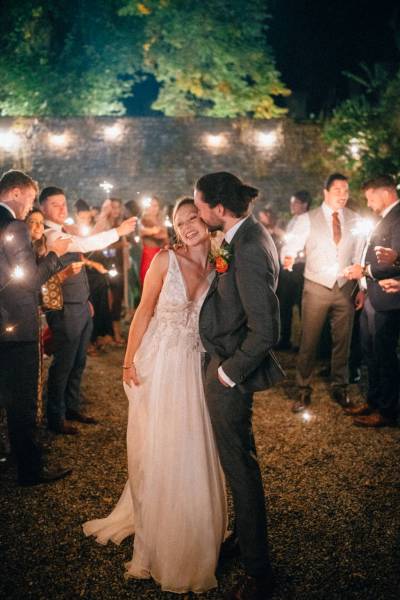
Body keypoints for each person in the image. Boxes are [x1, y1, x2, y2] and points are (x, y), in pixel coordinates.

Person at [83, 198, 227, 594]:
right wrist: (128, 363)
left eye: (192, 219)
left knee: (194, 446)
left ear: (206, 218)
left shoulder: (220, 265)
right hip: (161, 362)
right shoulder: (165, 260)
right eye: (179, 223)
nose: (186, 228)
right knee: (160, 445)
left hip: (197, 365)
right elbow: (144, 311)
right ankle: (159, 536)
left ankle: (195, 531)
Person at [194, 172, 284, 600]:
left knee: (241, 469)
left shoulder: (247, 246)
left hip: (230, 374)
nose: (195, 212)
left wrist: (228, 373)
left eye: (199, 205)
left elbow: (267, 329)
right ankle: (245, 541)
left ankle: (259, 571)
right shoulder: (240, 234)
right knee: (236, 462)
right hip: (223, 363)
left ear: (218, 207)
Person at [39, 187, 137, 435]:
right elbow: (85, 243)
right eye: (55, 204)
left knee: (79, 361)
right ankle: (56, 416)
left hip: (80, 304)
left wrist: (85, 299)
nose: (62, 208)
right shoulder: (50, 234)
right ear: (43, 208)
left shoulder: (63, 231)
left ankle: (72, 407)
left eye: (63, 203)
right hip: (65, 308)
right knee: (64, 363)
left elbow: (83, 254)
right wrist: (118, 231)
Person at [0, 170, 71, 486]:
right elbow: (28, 280)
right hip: (17, 326)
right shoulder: (13, 226)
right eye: (29, 198)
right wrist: (56, 256)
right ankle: (29, 469)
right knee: (22, 402)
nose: (30, 207)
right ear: (15, 192)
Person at [281, 173, 364, 413]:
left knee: (343, 341)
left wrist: (362, 288)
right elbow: (291, 244)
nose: (343, 195)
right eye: (338, 190)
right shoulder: (308, 219)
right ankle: (303, 389)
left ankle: (341, 386)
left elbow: (359, 254)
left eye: (346, 190)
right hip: (316, 285)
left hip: (346, 287)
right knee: (309, 339)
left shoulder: (355, 219)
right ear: (326, 192)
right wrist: (287, 255)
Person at [343, 175, 400, 427]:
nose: (368, 203)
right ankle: (374, 400)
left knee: (384, 355)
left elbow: (394, 261)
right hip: (372, 296)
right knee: (371, 353)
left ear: (385, 193)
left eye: (370, 197)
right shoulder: (383, 218)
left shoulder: (397, 217)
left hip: (388, 298)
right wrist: (363, 288)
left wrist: (364, 272)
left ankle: (387, 411)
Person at [276, 190, 311, 350]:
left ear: (304, 204)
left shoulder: (306, 220)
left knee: (300, 305)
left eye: (295, 202)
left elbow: (296, 242)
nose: (292, 206)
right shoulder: (294, 220)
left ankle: (305, 342)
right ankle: (285, 338)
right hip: (287, 267)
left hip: (298, 267)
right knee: (285, 304)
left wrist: (279, 233)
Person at [139, 195, 168, 285]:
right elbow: (144, 231)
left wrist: (156, 232)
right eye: (151, 205)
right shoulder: (144, 220)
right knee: (149, 280)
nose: (154, 208)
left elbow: (164, 235)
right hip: (149, 254)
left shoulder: (160, 220)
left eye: (156, 205)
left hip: (162, 253)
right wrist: (155, 231)